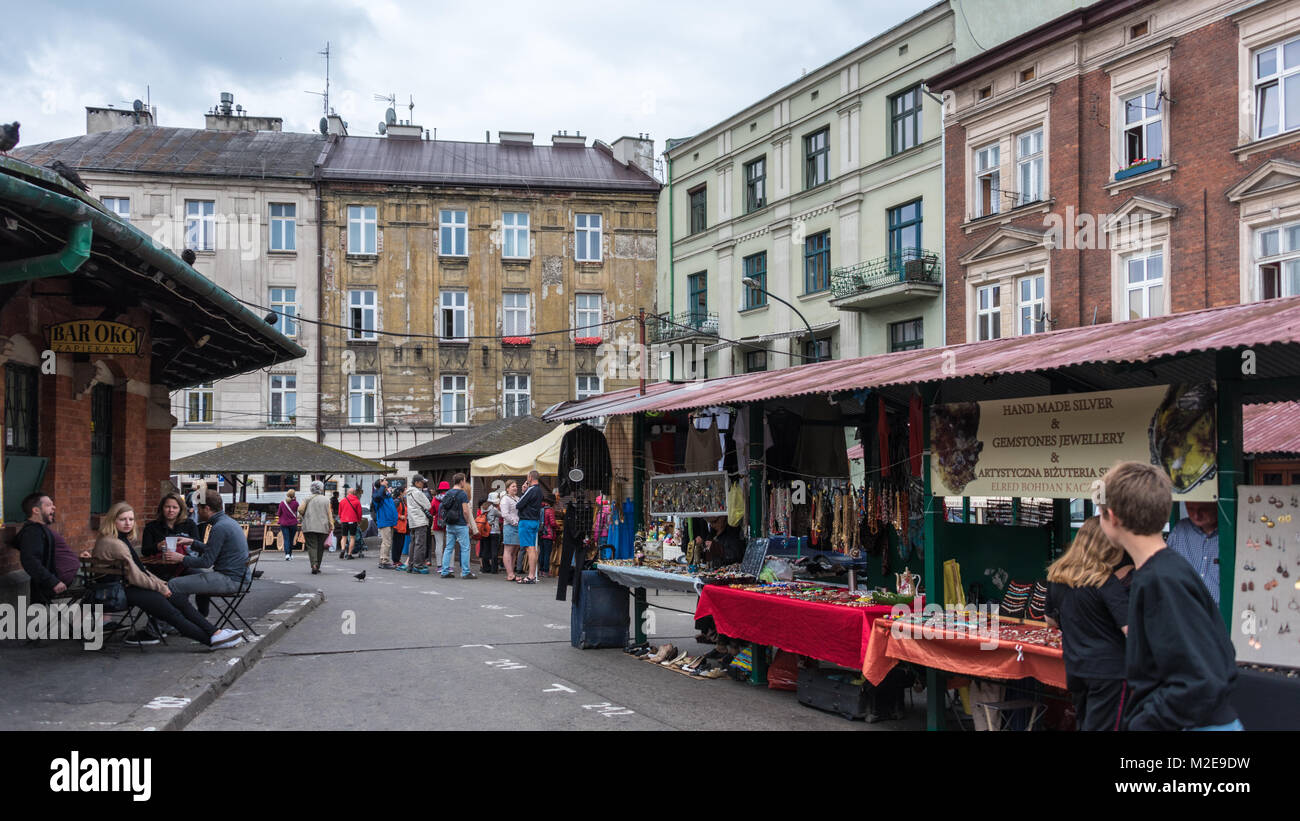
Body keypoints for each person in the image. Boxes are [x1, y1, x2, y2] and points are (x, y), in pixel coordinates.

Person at [1097, 461, 1240, 731]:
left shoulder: (1161, 580)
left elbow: (1202, 678)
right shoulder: (1169, 570)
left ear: (1112, 517)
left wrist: (1144, 723)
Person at [92, 501, 243, 649]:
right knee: (172, 612)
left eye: (131, 519)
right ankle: (211, 640)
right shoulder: (116, 544)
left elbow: (140, 571)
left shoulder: (118, 539)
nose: (128, 523)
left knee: (178, 600)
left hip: (129, 587)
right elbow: (136, 576)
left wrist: (161, 584)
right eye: (122, 519)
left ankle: (215, 633)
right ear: (113, 520)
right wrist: (160, 588)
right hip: (122, 591)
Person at [1044, 517, 1131, 731]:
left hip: (1076, 667)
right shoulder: (1104, 581)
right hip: (1110, 672)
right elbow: (1131, 630)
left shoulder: (1057, 577)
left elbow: (1049, 621)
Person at [165, 490, 249, 617]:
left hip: (230, 580)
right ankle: (198, 619)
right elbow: (214, 550)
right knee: (188, 582)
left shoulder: (219, 528)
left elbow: (205, 562)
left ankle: (187, 621)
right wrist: (192, 542)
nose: (197, 512)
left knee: (173, 584)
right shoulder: (227, 522)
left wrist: (181, 558)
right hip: (239, 578)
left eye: (199, 508)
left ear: (207, 508)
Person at [1166, 501, 1220, 606]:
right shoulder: (1180, 530)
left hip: (1219, 615)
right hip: (1184, 611)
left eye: (1203, 509)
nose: (1196, 515)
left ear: (1217, 505)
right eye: (1190, 509)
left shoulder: (1230, 532)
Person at [15, 492, 65, 603]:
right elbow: (31, 561)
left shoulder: (40, 529)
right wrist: (52, 581)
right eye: (48, 505)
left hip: (52, 584)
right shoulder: (32, 532)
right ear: (36, 510)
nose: (54, 507)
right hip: (48, 586)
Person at [439, 473, 476, 579]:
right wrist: (467, 522)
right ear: (461, 482)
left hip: (450, 523)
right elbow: (465, 510)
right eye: (464, 480)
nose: (465, 482)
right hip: (460, 524)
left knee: (448, 548)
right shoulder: (462, 494)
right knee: (465, 548)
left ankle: (445, 571)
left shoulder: (448, 493)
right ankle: (465, 572)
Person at [142, 492, 198, 557]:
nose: (171, 510)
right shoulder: (151, 527)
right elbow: (145, 551)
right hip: (159, 564)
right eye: (167, 507)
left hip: (185, 564)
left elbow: (198, 545)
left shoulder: (190, 524)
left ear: (180, 509)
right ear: (162, 508)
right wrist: (158, 546)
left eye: (175, 507)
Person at [515, 471, 545, 584]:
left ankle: (531, 575)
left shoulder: (531, 489)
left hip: (526, 521)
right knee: (533, 548)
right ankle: (532, 574)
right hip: (534, 521)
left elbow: (519, 504)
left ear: (530, 477)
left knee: (529, 548)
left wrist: (523, 491)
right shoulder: (539, 491)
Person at [300, 480, 334, 574]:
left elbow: (300, 509)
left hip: (309, 526)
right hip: (323, 527)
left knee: (312, 546)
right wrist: (331, 525)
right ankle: (317, 566)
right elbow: (329, 514)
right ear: (321, 489)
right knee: (320, 547)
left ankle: (314, 564)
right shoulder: (326, 500)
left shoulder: (306, 498)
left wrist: (305, 514)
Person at [403, 475, 432, 573]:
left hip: (412, 521)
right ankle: (418, 565)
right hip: (420, 521)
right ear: (416, 483)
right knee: (420, 544)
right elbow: (428, 505)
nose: (423, 483)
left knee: (413, 543)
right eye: (422, 482)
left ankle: (410, 564)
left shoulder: (408, 493)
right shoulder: (418, 492)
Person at [372, 478, 399, 569]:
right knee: (386, 542)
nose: (385, 482)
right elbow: (378, 497)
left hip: (390, 521)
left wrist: (387, 490)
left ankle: (383, 560)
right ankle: (384, 561)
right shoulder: (376, 495)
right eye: (382, 482)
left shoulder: (386, 495)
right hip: (384, 521)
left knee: (388, 542)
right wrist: (383, 486)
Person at [500, 480, 521, 581]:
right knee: (508, 550)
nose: (515, 488)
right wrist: (514, 522)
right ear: (507, 488)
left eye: (516, 486)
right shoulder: (505, 499)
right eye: (513, 486)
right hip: (510, 526)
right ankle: (510, 573)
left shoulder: (517, 498)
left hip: (518, 526)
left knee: (514, 551)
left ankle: (511, 572)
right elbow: (504, 514)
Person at [338, 486, 364, 559]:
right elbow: (359, 513)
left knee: (344, 537)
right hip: (353, 521)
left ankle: (343, 549)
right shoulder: (357, 501)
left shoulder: (342, 501)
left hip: (344, 521)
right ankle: (349, 554)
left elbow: (339, 512)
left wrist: (341, 518)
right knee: (352, 537)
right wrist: (359, 520)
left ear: (347, 493)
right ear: (354, 493)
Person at [276, 489, 301, 561]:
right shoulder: (296, 503)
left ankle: (287, 554)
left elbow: (279, 513)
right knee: (291, 539)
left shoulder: (282, 503)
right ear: (294, 495)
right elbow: (298, 511)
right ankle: (290, 554)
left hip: (284, 524)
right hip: (293, 524)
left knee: (286, 539)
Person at [481, 491, 502, 573]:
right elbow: (502, 514)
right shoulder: (494, 509)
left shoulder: (483, 507)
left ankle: (485, 568)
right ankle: (494, 569)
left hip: (485, 530)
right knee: (494, 550)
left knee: (486, 549)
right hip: (494, 531)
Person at [431, 481, 450, 570]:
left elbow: (432, 512)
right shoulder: (451, 498)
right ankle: (450, 566)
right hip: (449, 523)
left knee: (439, 544)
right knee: (450, 545)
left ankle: (439, 565)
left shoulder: (435, 499)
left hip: (438, 524)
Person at [539, 497, 557, 577]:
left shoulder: (541, 510)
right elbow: (552, 523)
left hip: (541, 534)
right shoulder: (550, 510)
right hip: (548, 534)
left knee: (542, 552)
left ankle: (540, 570)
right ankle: (545, 571)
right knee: (547, 553)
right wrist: (557, 527)